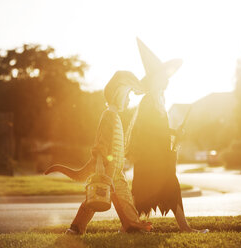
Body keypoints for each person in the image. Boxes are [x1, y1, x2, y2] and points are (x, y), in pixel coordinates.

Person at [44, 71, 152, 234]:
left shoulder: (115, 116)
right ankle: (76, 228)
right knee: (95, 198)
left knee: (124, 199)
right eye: (127, 95)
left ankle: (131, 226)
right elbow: (101, 144)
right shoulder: (109, 115)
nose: (129, 99)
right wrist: (102, 168)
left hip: (115, 171)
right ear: (119, 93)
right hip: (106, 168)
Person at [125, 38, 208, 233]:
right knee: (141, 192)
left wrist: (174, 132)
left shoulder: (160, 100)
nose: (167, 79)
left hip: (160, 156)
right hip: (148, 157)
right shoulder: (147, 102)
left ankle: (184, 227)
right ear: (155, 79)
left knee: (171, 187)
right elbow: (147, 130)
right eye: (163, 76)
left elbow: (159, 129)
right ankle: (129, 226)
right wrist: (171, 132)